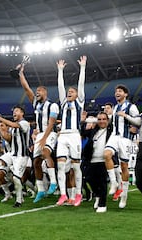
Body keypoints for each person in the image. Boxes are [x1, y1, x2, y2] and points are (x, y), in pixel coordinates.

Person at [18, 62, 60, 203]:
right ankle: (41, 189)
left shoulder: (53, 105)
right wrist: (21, 73)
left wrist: (44, 138)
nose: (36, 93)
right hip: (40, 134)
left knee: (45, 153)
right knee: (36, 162)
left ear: (45, 92)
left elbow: (52, 123)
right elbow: (26, 88)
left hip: (50, 133)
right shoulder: (36, 104)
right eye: (36, 91)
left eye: (39, 91)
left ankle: (53, 182)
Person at [55, 56, 86, 207]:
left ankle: (78, 193)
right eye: (69, 91)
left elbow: (81, 84)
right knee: (60, 165)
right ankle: (62, 194)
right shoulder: (63, 103)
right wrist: (60, 70)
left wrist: (82, 68)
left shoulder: (80, 101)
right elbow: (60, 86)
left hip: (74, 135)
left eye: (72, 91)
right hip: (63, 135)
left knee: (75, 166)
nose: (69, 92)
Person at [103, 84, 140, 209]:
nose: (117, 93)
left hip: (126, 139)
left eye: (120, 91)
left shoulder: (131, 107)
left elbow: (139, 122)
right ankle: (113, 182)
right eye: (116, 91)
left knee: (124, 166)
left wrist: (126, 116)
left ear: (125, 94)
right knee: (106, 154)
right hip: (115, 136)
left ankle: (124, 196)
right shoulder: (115, 108)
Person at [0, 105, 31, 208]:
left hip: (21, 156)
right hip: (12, 154)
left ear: (22, 113)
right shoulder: (13, 129)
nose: (14, 113)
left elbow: (14, 125)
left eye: (16, 111)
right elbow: (8, 138)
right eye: (13, 111)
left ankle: (19, 200)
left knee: (16, 179)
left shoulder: (25, 123)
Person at [81, 111, 112, 213]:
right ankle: (97, 195)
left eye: (104, 119)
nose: (101, 121)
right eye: (99, 119)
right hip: (91, 159)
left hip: (104, 160)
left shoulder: (111, 131)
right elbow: (83, 133)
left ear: (107, 120)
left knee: (102, 182)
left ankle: (102, 204)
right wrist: (82, 121)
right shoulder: (94, 131)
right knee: (89, 178)